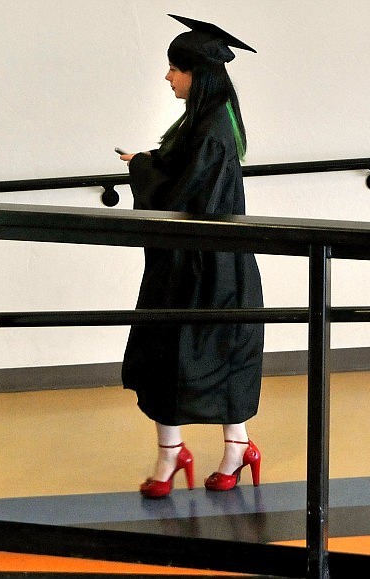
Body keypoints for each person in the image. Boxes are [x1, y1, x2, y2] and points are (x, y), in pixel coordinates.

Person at [118, 14, 264, 499]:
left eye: (174, 69)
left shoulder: (212, 130)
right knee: (174, 352)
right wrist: (147, 161)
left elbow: (182, 193)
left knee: (211, 351)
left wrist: (141, 168)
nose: (168, 77)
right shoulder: (206, 119)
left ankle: (232, 449)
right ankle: (173, 453)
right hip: (200, 260)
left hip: (208, 264)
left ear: (195, 74)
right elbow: (183, 173)